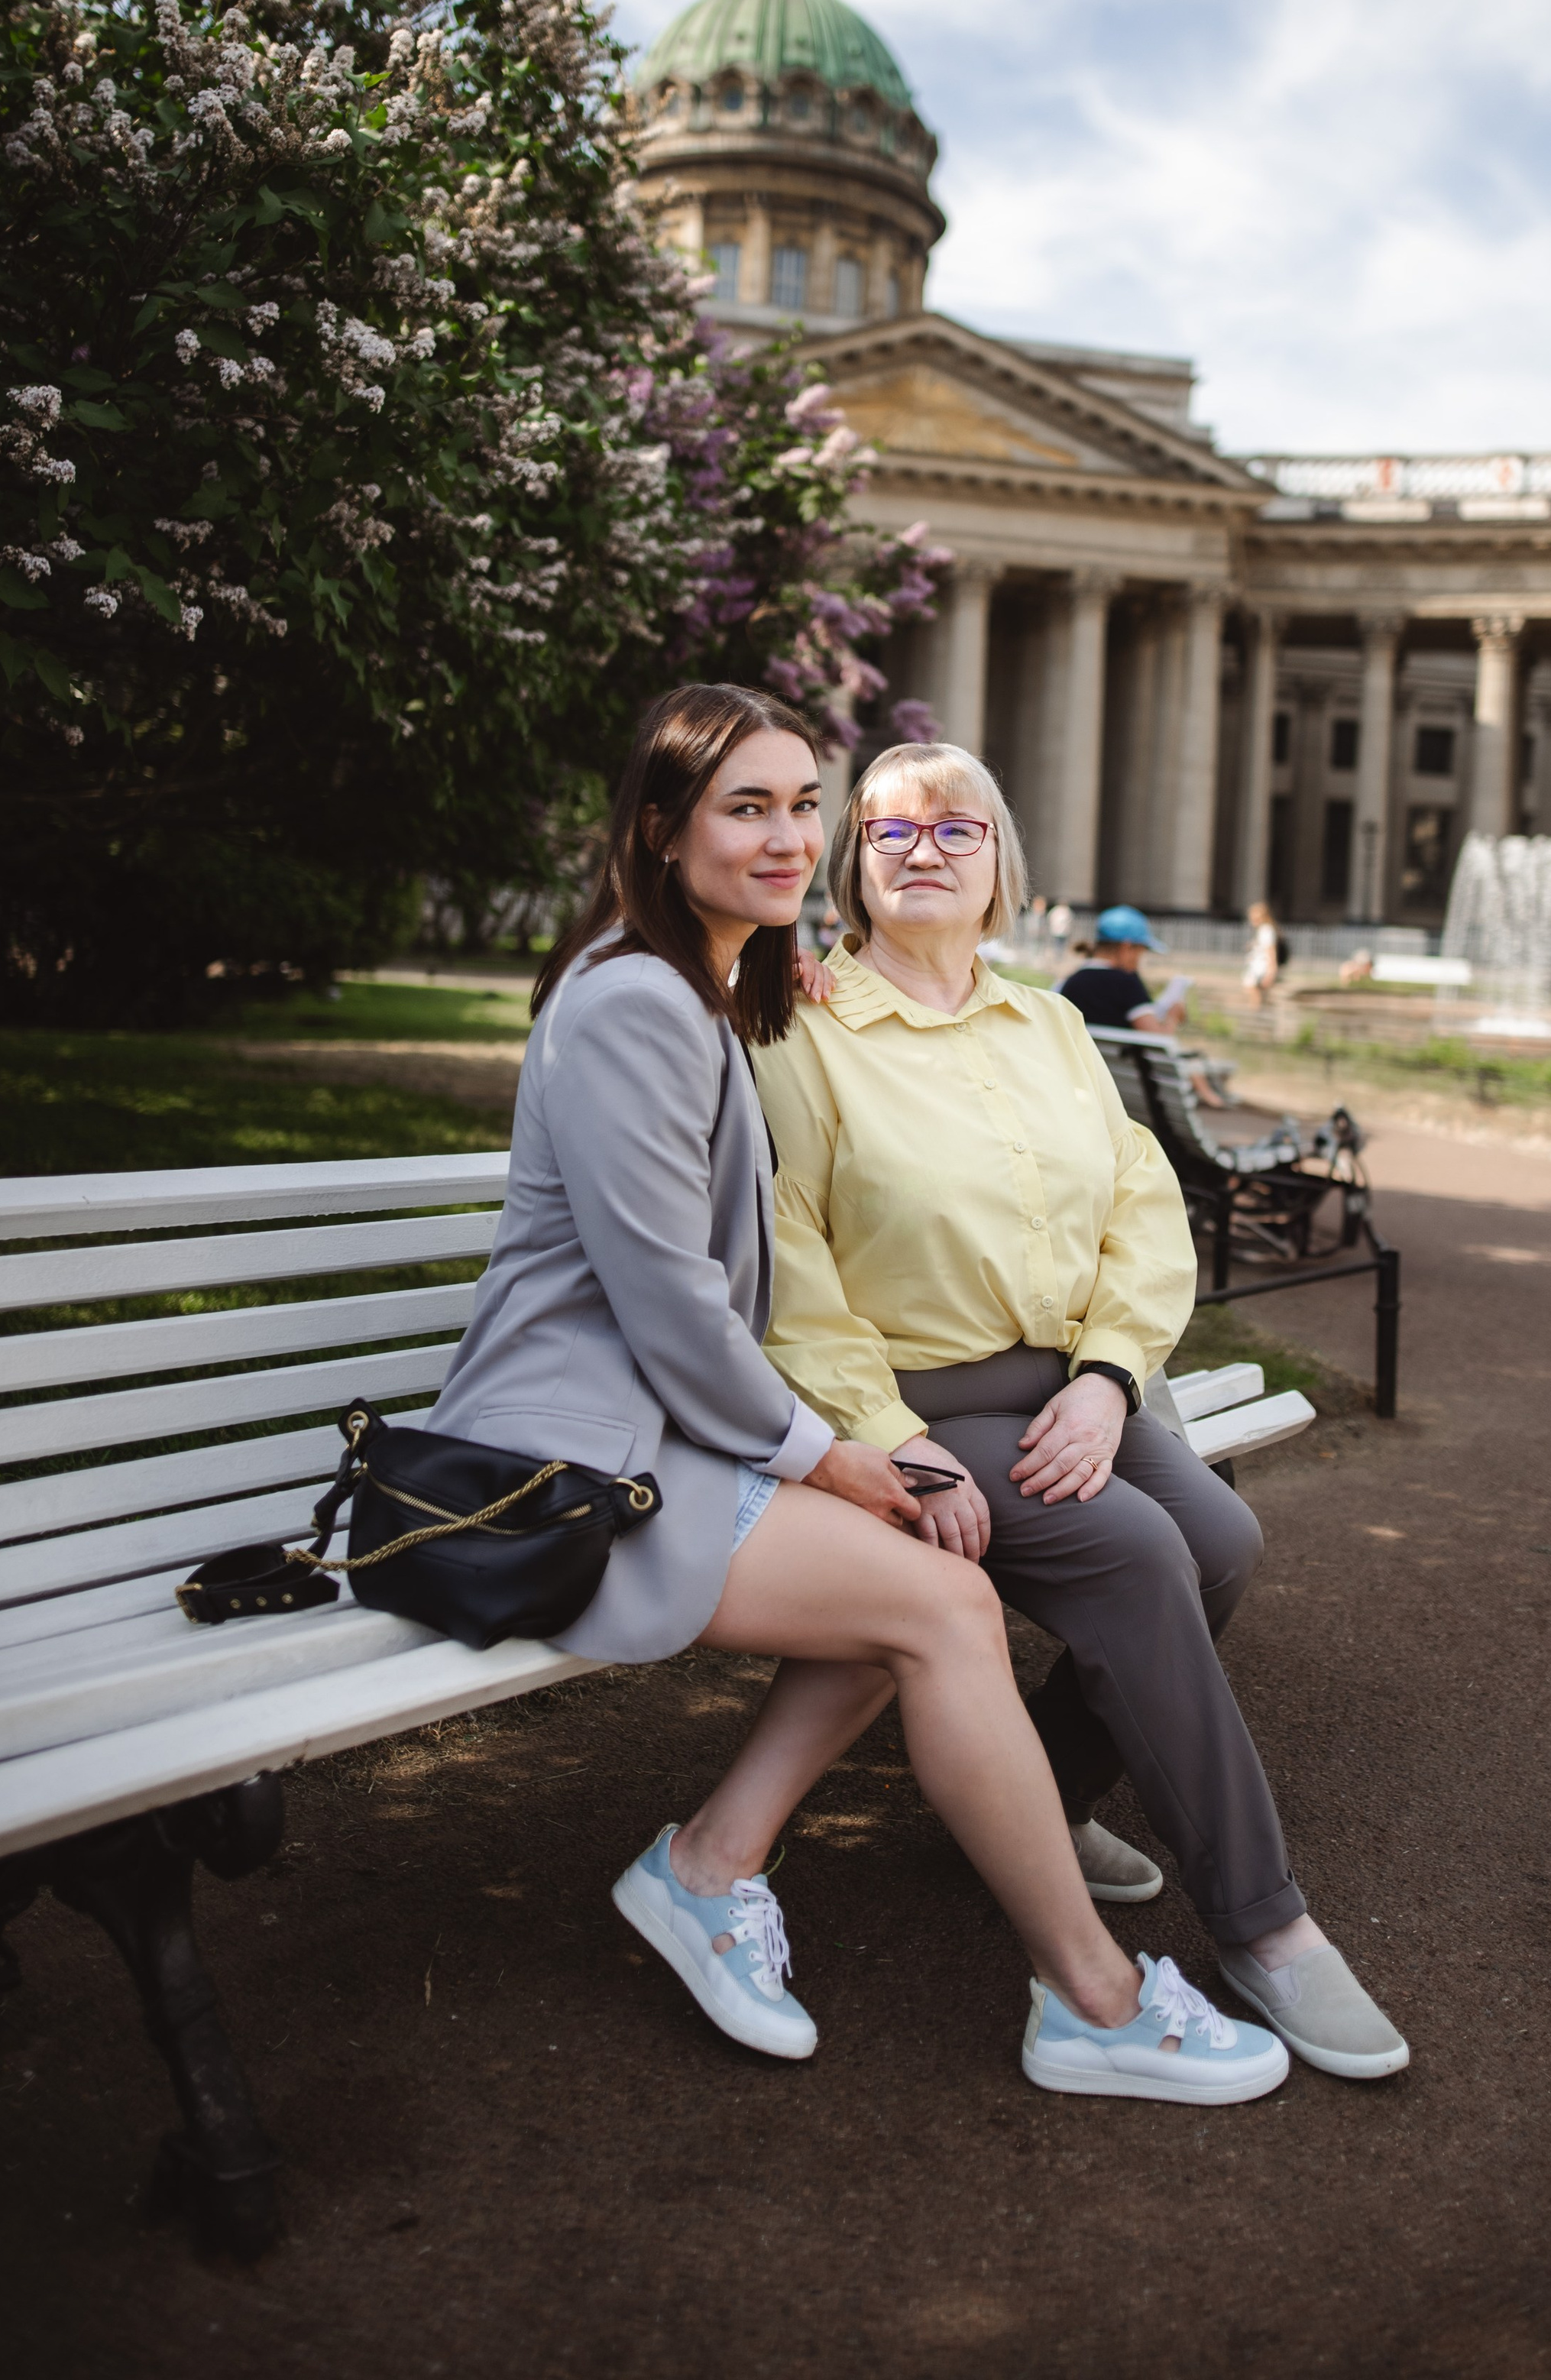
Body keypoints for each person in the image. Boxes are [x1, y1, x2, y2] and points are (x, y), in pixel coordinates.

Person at [428, 684, 1281, 2105]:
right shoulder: (635, 1001)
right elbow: (674, 1308)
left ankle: (711, 1863)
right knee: (941, 1594)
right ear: (661, 828)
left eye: (800, 805)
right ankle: (1095, 1997)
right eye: (744, 808)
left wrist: (803, 969)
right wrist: (838, 1453)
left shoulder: (709, 987)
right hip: (577, 1452)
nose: (784, 836)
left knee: (926, 1556)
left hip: (669, 1426)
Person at [746, 740, 1409, 2082]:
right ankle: (1265, 1925)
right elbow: (788, 1263)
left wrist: (1108, 1380)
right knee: (1138, 1549)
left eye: (958, 828)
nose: (924, 849)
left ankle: (1036, 1796)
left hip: (1070, 1383)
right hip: (919, 1401)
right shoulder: (802, 1032)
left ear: (1001, 866)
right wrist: (891, 1437)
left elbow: (1142, 1212)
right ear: (852, 868)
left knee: (1222, 1541)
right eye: (891, 830)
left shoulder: (1048, 1025)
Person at [1057, 905, 1187, 1033]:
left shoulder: (1070, 981)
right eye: (1140, 952)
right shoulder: (1127, 983)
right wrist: (1173, 1017)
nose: (1138, 961)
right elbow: (1155, 1037)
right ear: (1126, 948)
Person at [1242, 901, 1281, 1010]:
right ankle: (1259, 1011)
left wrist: (1271, 971)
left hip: (1261, 967)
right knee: (1257, 992)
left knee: (1254, 992)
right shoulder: (1263, 930)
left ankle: (1256, 1013)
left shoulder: (1266, 930)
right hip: (1259, 966)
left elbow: (1271, 951)